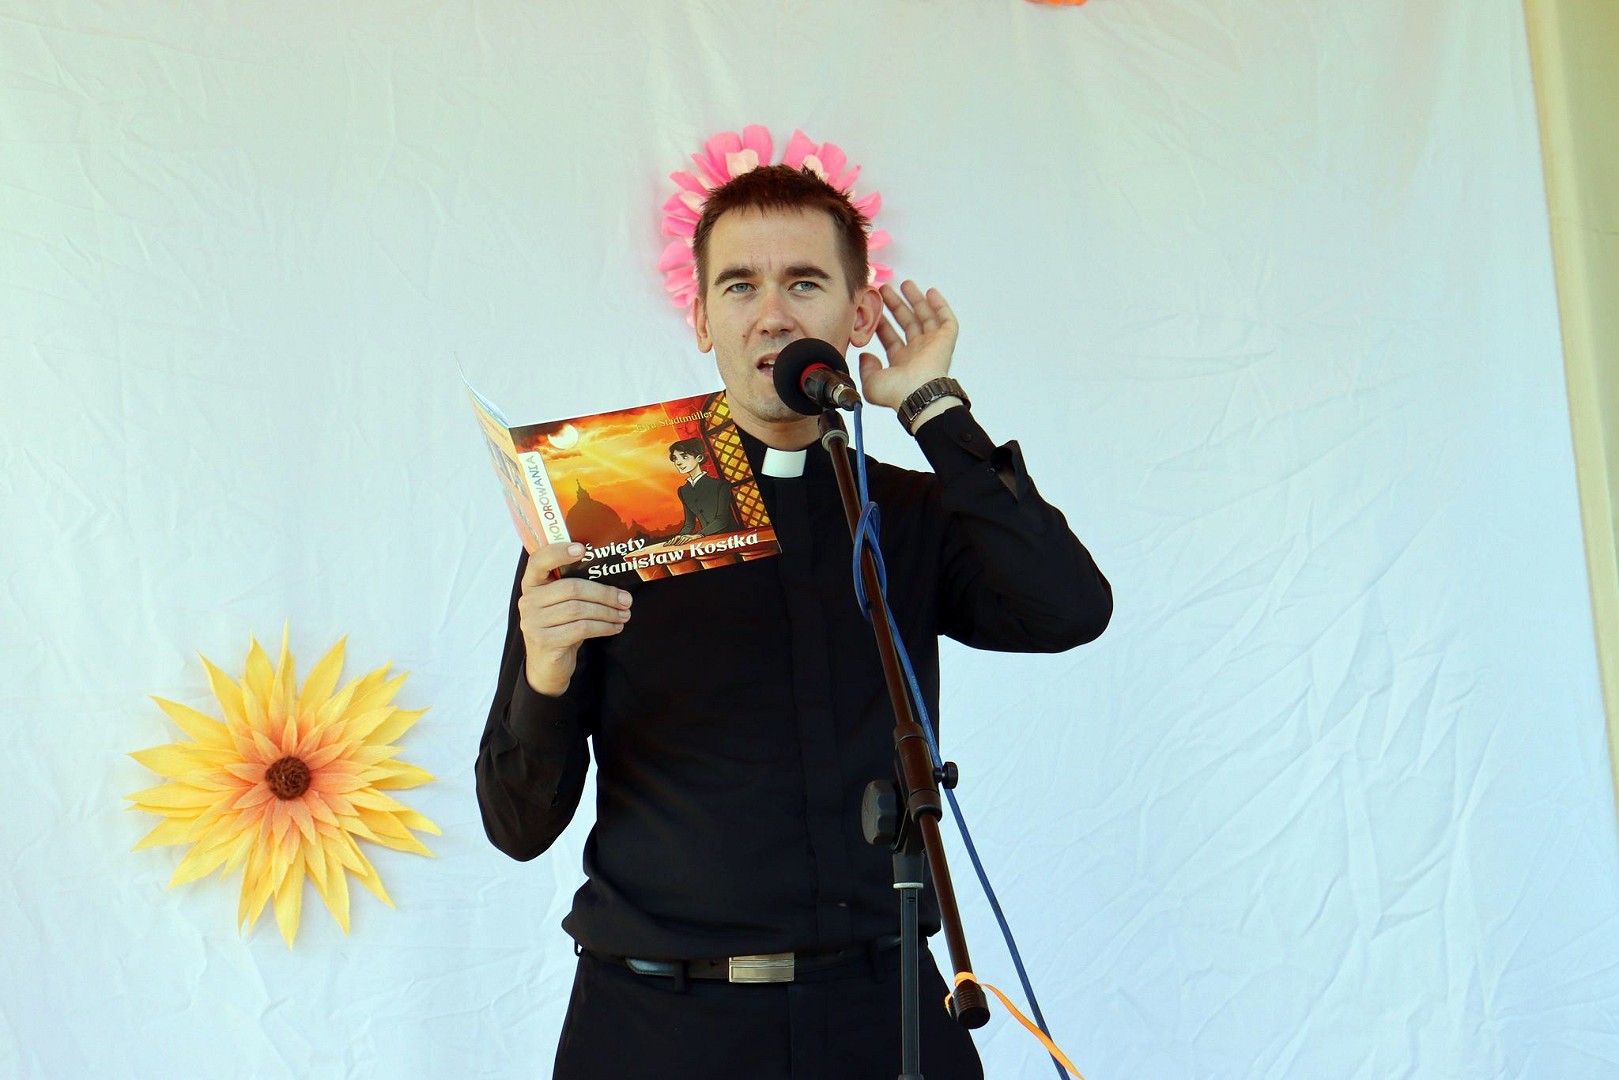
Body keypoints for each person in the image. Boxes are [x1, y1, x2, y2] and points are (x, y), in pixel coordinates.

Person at [476, 164, 1112, 1080]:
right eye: (739, 286)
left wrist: (932, 408)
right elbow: (516, 823)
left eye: (804, 282)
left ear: (858, 315)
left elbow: (1068, 609)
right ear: (702, 319)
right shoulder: (605, 515)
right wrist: (544, 670)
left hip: (882, 1006)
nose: (771, 315)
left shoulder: (907, 513)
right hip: (657, 1024)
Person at [666, 436, 739, 543]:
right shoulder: (683, 491)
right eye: (675, 458)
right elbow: (689, 524)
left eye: (684, 457)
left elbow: (722, 520)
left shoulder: (721, 485)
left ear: (699, 458)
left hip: (732, 538)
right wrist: (680, 536)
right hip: (708, 541)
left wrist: (698, 535)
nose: (678, 463)